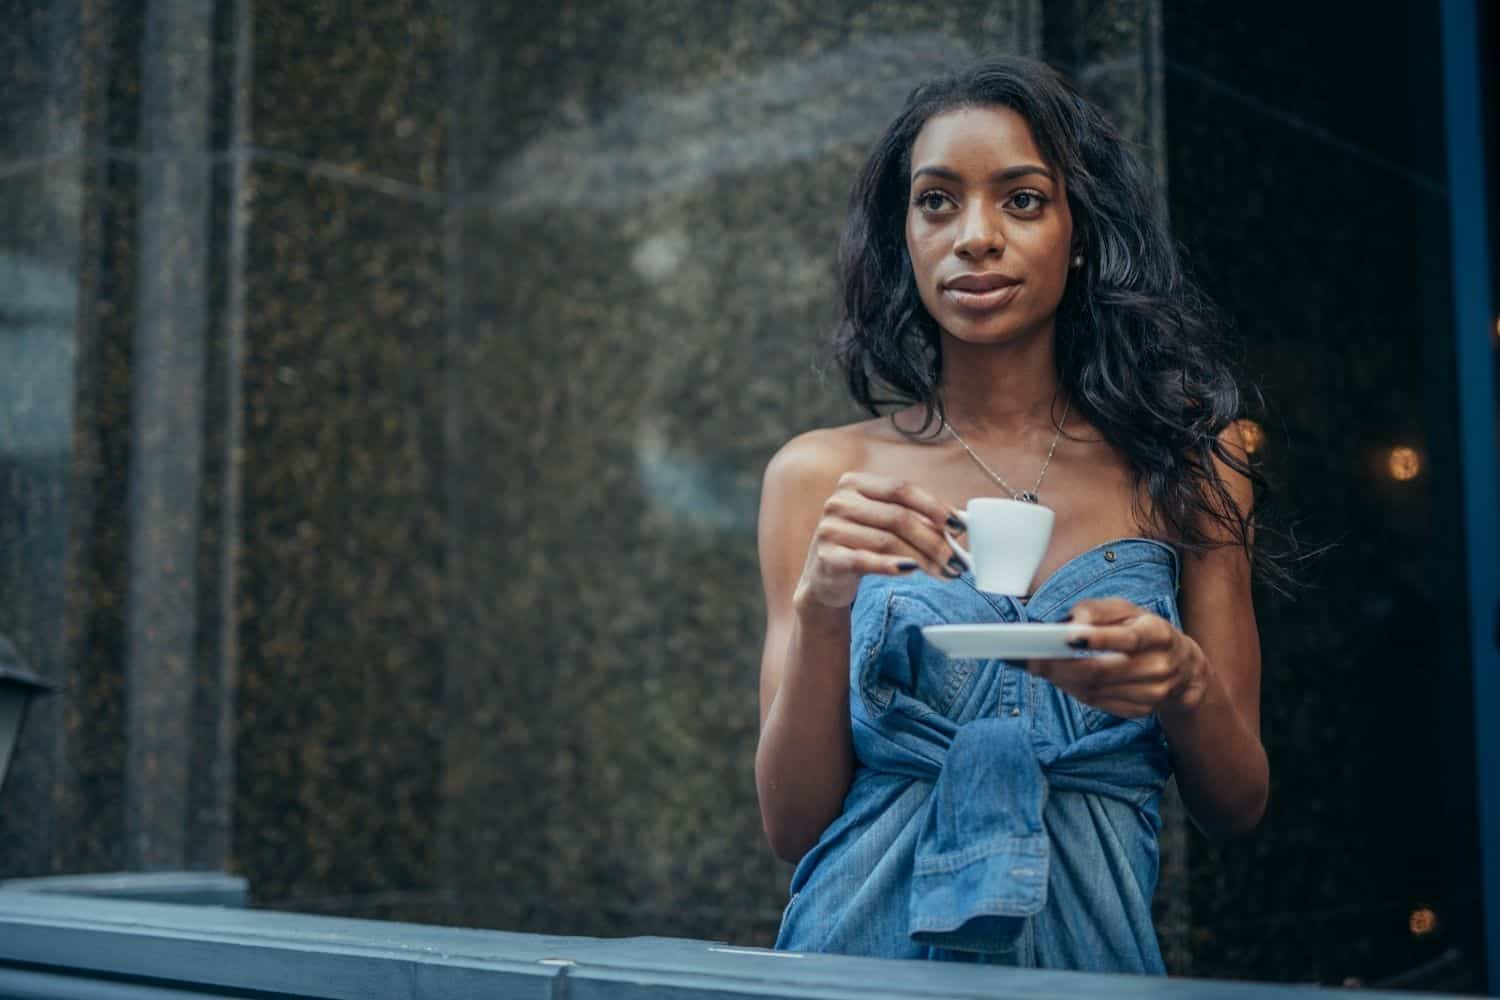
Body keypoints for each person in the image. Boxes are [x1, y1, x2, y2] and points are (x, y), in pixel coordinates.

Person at [753, 55, 1272, 973]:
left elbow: (1238, 807)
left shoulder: (1193, 465)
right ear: (904, 238)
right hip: (856, 962)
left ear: (1079, 233)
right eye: (937, 202)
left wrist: (1184, 684)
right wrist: (821, 608)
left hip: (1093, 966)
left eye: (1022, 200)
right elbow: (792, 826)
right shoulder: (821, 475)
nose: (974, 237)